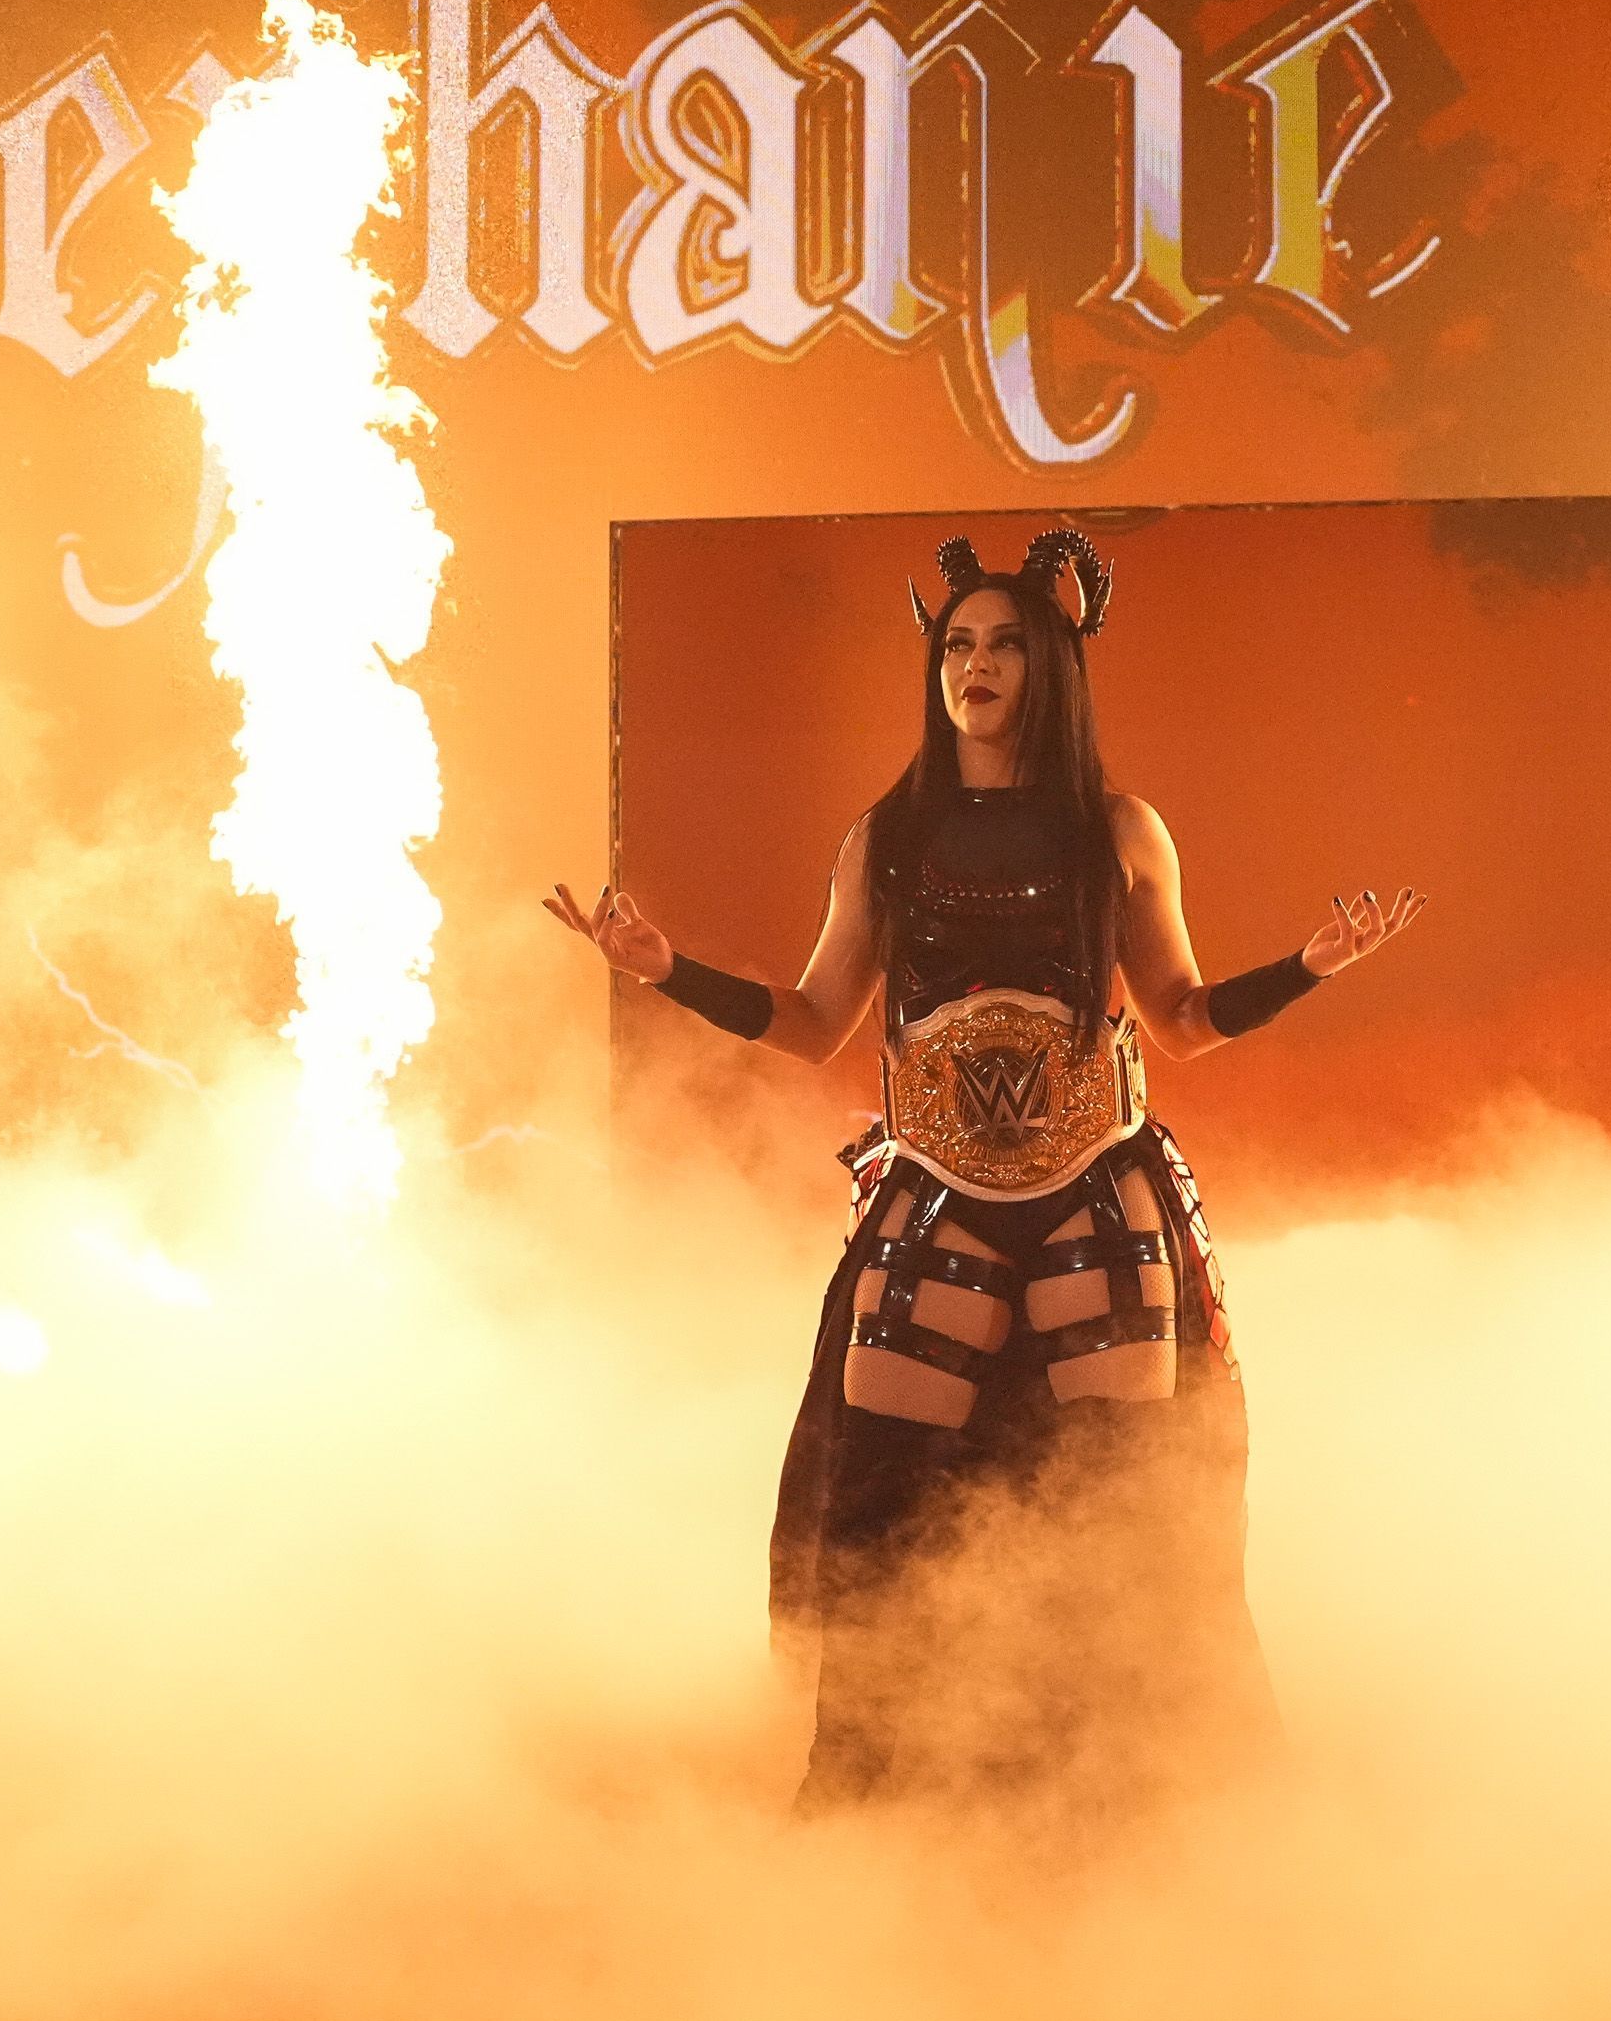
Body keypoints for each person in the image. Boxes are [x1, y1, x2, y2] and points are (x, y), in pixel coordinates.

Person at [546, 527, 1422, 1813]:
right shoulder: (887, 837)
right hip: (936, 1194)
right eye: (957, 644)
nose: (977, 665)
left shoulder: (1120, 831)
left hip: (1099, 1196)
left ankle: (1139, 1816)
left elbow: (1181, 1020)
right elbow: (812, 1023)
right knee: (885, 1516)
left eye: (1006, 644)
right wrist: (665, 971)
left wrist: (1307, 968)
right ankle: (879, 1816)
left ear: (1052, 665)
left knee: (1124, 1521)